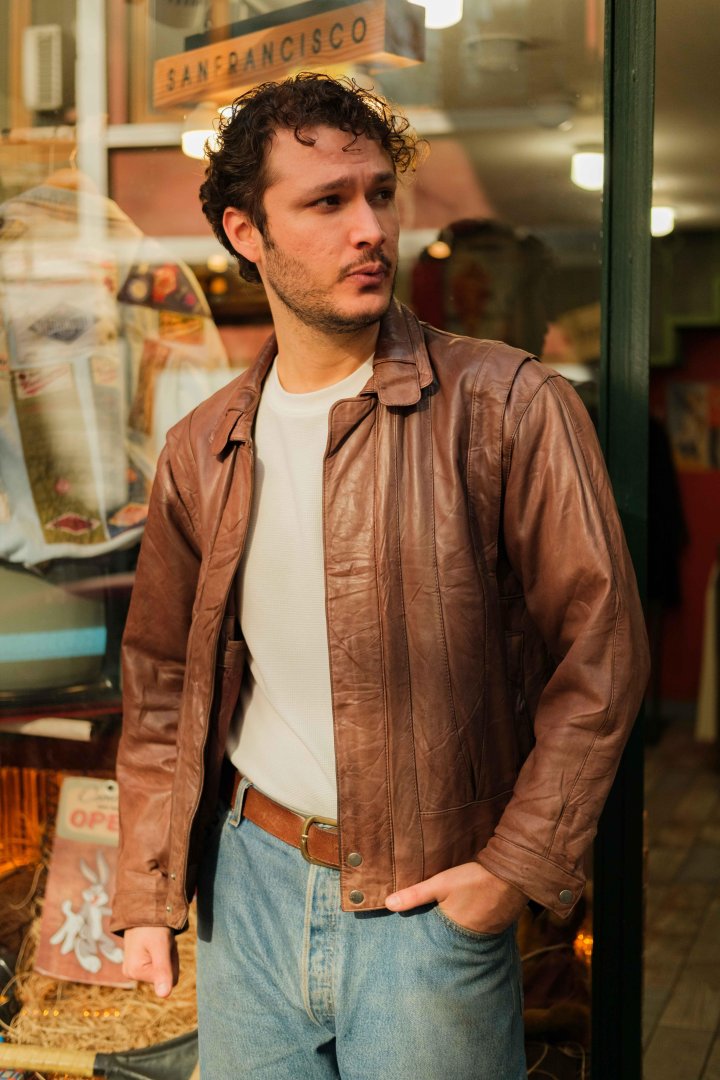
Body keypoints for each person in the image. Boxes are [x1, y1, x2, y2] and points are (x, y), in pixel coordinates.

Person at [112, 73, 649, 1080]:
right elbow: (162, 685)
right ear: (245, 232)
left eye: (380, 195)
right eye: (327, 202)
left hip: (427, 903)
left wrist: (511, 872)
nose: (371, 229)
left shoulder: (505, 404)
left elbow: (603, 657)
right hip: (248, 889)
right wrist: (148, 896)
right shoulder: (202, 445)